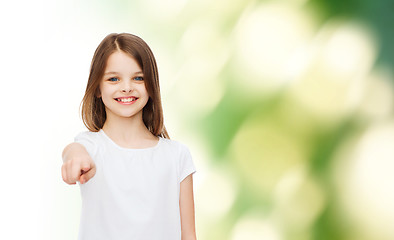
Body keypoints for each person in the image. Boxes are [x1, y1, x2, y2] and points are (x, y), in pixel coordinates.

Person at [61, 33, 197, 240]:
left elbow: (188, 234)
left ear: (152, 85)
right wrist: (75, 158)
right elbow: (73, 151)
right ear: (98, 87)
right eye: (113, 79)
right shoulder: (89, 148)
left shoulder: (177, 156)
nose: (126, 87)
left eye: (138, 78)